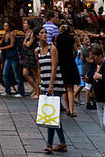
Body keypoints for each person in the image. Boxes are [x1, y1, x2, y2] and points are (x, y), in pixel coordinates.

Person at [36, 24, 67, 153]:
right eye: (42, 33)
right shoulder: (37, 51)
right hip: (45, 84)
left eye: (45, 33)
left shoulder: (52, 48)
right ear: (37, 36)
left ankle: (50, 143)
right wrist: (40, 86)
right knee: (52, 114)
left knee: (51, 114)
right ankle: (61, 143)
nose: (45, 34)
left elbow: (54, 67)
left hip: (56, 84)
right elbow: (39, 68)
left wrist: (51, 84)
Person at [0, 21, 24, 97]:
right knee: (5, 74)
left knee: (17, 75)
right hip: (8, 56)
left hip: (14, 56)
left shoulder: (12, 34)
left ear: (10, 27)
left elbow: (12, 45)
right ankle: (7, 90)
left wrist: (2, 48)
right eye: (4, 26)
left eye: (6, 26)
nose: (5, 27)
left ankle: (21, 91)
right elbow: (1, 41)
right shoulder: (5, 34)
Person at [56, 23, 78, 117]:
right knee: (70, 89)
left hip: (61, 64)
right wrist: (74, 57)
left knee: (64, 88)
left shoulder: (58, 38)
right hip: (70, 63)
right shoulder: (71, 38)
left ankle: (68, 108)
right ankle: (72, 111)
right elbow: (76, 50)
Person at [22, 18, 39, 98]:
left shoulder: (32, 33)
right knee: (25, 73)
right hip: (27, 54)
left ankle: (38, 92)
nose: (24, 25)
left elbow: (28, 44)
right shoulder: (27, 33)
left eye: (25, 23)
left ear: (29, 25)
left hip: (32, 54)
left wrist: (25, 43)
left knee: (35, 74)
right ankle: (36, 89)